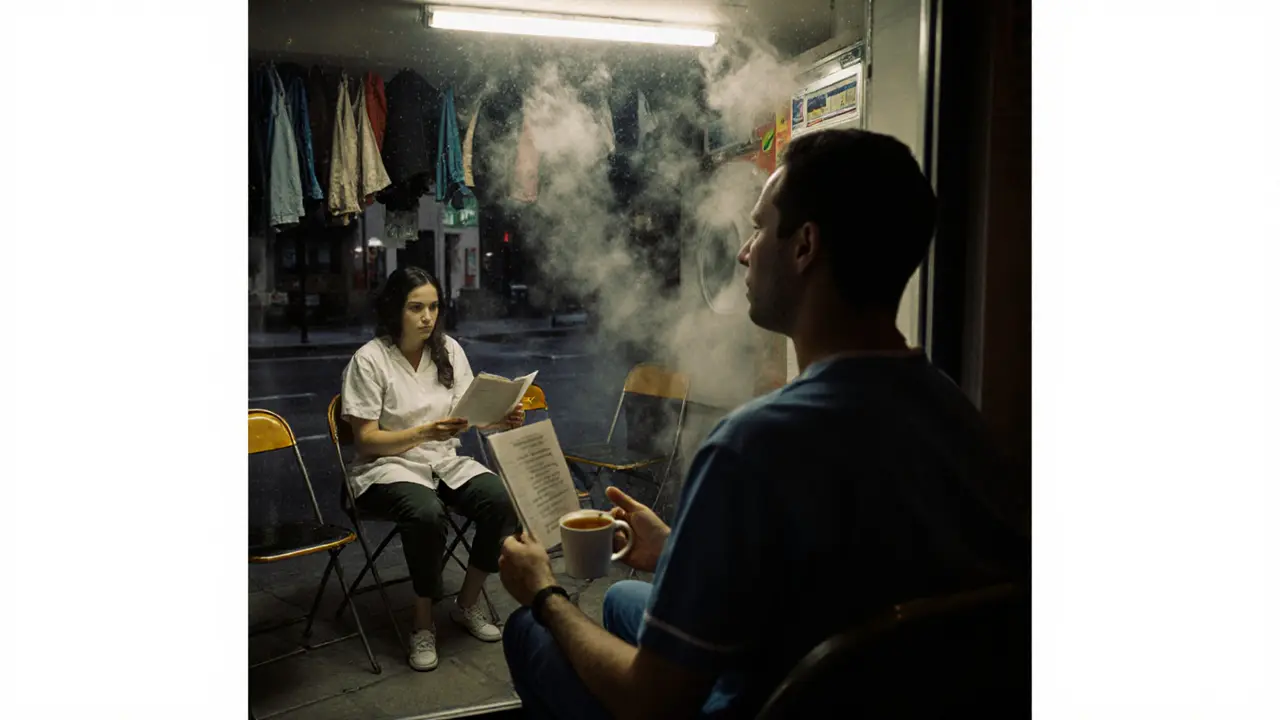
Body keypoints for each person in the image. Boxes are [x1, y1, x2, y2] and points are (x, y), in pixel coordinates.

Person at [497, 128, 1030, 719]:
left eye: (757, 228)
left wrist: (544, 591)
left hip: (763, 703)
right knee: (625, 595)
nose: (745, 251)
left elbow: (651, 700)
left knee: (528, 628)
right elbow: (842, 578)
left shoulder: (751, 446)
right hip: (867, 689)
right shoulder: (958, 414)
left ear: (804, 246)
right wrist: (681, 548)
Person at [340, 266, 524, 672]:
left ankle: (467, 603)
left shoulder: (449, 351)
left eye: (434, 307)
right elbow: (366, 440)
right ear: (395, 310)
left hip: (442, 462)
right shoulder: (370, 360)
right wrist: (423, 432)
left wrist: (502, 416)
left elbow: (467, 414)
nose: (427, 317)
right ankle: (422, 622)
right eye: (416, 307)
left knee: (499, 499)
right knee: (426, 513)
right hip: (385, 468)